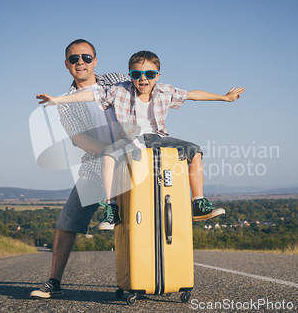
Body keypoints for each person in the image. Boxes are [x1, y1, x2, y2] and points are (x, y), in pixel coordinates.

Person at [37, 50, 245, 231]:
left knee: (195, 151)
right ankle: (112, 209)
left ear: (157, 75)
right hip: (129, 138)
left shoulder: (165, 91)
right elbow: (89, 96)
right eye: (137, 74)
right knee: (109, 155)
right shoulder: (119, 90)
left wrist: (224, 98)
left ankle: (198, 203)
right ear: (130, 75)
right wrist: (57, 100)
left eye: (149, 74)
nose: (143, 78)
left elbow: (193, 94)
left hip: (157, 138)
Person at [30, 39, 129, 299]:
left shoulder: (117, 80)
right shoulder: (66, 101)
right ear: (67, 64)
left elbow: (144, 93)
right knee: (67, 221)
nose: (80, 62)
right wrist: (109, 150)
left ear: (95, 60)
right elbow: (78, 138)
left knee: (134, 221)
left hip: (133, 161)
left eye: (86, 57)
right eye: (74, 59)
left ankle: (135, 279)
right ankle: (54, 282)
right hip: (97, 166)